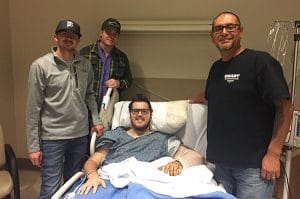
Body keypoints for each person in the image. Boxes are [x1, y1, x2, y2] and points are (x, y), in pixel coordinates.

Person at [190, 11, 294, 199]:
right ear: (212, 36)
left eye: (230, 26)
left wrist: (273, 153)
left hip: (254, 168)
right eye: (218, 28)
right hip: (221, 165)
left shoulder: (261, 62)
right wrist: (189, 101)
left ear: (241, 31)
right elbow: (216, 92)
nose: (224, 32)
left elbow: (285, 107)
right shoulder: (216, 68)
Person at [26, 19, 103, 199]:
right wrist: (33, 146)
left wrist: (97, 120)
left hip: (79, 135)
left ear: (78, 40)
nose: (68, 38)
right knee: (50, 188)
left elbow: (89, 96)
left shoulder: (85, 65)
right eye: (64, 34)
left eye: (73, 35)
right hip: (53, 137)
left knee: (74, 185)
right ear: (55, 37)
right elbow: (32, 109)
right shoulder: (40, 66)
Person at [77, 94, 203, 195]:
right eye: (135, 111)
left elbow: (196, 157)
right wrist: (92, 176)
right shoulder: (116, 135)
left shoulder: (162, 139)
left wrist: (179, 162)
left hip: (147, 185)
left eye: (144, 111)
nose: (139, 115)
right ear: (130, 113)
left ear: (151, 114)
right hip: (110, 182)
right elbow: (93, 161)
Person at [80, 18, 132, 112]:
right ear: (101, 33)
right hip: (84, 107)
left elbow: (128, 80)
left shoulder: (122, 58)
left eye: (115, 33)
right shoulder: (85, 53)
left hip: (109, 109)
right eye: (108, 32)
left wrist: (119, 83)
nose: (111, 36)